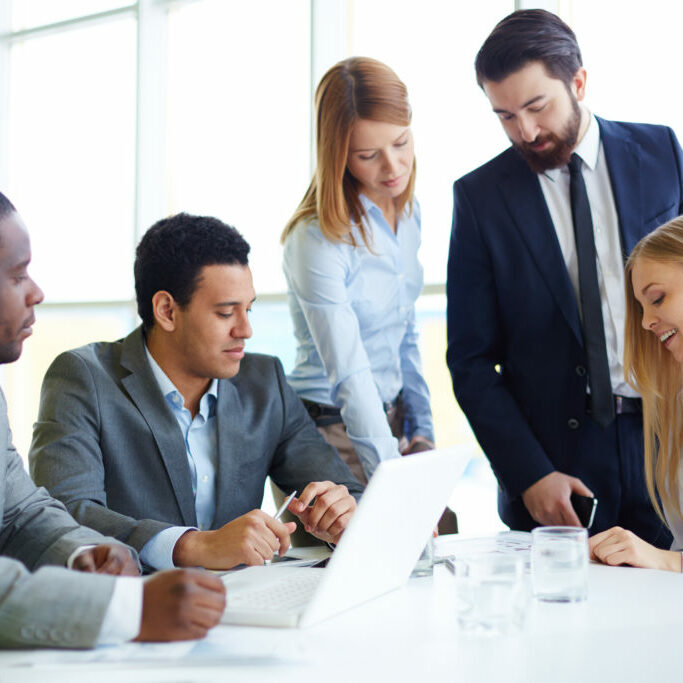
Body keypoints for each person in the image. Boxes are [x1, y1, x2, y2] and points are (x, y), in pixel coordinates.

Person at [446, 8, 683, 543]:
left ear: (578, 81)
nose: (525, 130)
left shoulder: (662, 152)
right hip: (555, 467)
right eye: (504, 115)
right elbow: (470, 358)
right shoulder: (480, 198)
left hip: (666, 441)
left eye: (536, 106)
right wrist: (527, 471)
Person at [30, 212, 362, 572]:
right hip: (139, 607)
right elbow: (65, 515)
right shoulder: (83, 378)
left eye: (248, 309)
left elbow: (347, 493)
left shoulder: (265, 381)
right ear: (167, 311)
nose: (246, 330)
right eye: (225, 313)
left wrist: (341, 514)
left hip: (250, 604)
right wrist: (191, 546)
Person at [0, 192, 226, 648]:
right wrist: (128, 610)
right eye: (18, 274)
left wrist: (86, 552)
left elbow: (17, 514)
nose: (37, 292)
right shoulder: (82, 375)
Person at [281, 58, 453, 524]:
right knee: (374, 551)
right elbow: (350, 373)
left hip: (389, 420)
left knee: (436, 535)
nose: (392, 166)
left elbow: (405, 332)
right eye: (368, 155)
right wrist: (391, 479)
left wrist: (420, 432)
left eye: (400, 142)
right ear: (337, 154)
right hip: (329, 429)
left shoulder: (409, 213)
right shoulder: (316, 238)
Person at [590, 217, 683, 571]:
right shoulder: (675, 402)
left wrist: (666, 560)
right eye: (641, 308)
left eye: (657, 299)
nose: (645, 322)